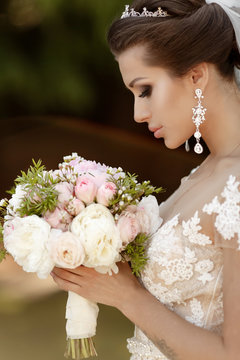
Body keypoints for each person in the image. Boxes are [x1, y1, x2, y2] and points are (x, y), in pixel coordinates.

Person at [51, 1, 240, 359]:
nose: (138, 114)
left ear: (197, 75)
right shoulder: (206, 172)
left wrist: (126, 296)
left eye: (146, 89)